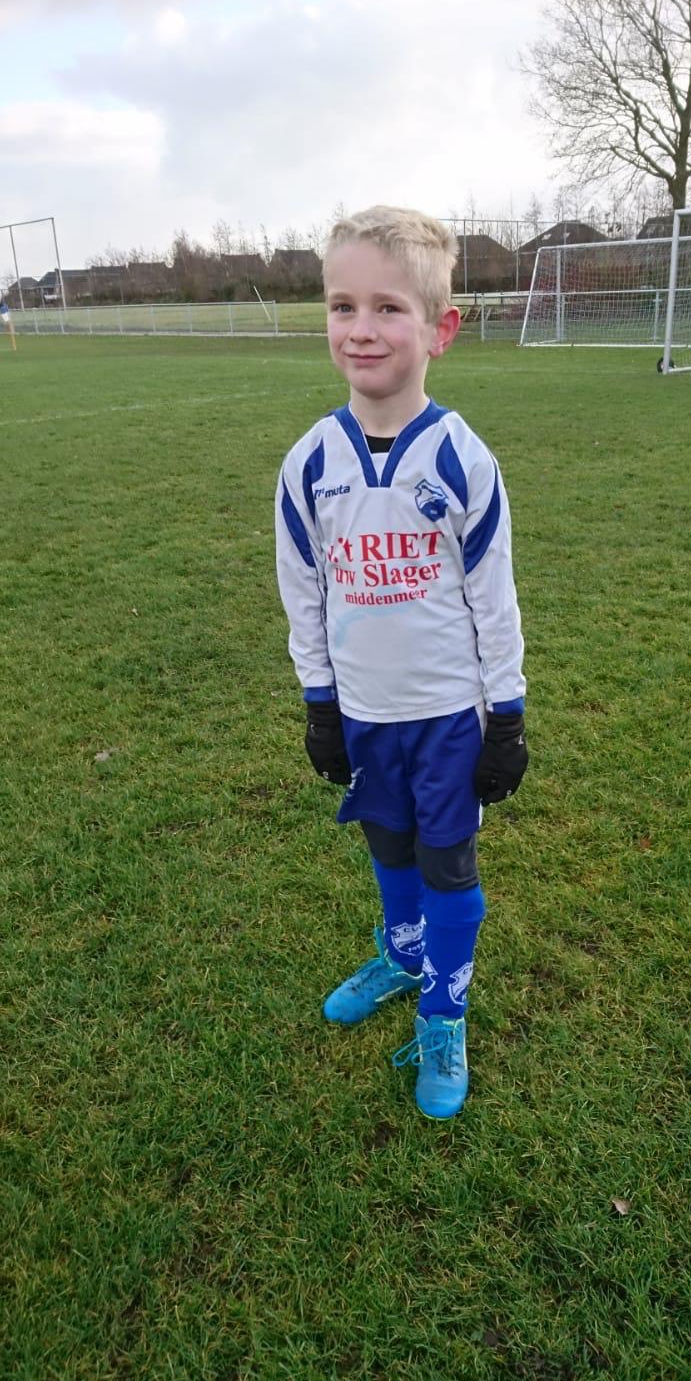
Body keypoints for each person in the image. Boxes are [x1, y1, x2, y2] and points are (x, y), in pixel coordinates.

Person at [275, 207, 527, 1119]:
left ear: (439, 329)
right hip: (364, 713)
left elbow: (492, 597)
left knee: (447, 866)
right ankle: (403, 951)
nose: (361, 328)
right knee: (387, 847)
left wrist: (506, 717)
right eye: (342, 306)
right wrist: (319, 703)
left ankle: (442, 1012)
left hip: (448, 717)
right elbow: (303, 591)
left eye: (388, 307)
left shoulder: (462, 459)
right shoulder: (309, 464)